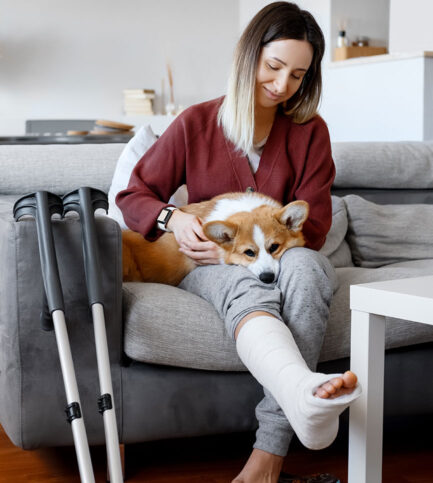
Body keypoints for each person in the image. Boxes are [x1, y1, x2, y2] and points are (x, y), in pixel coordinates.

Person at [116, 2, 361, 482]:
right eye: (273, 66)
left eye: (297, 75)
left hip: (286, 253)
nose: (282, 85)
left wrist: (273, 245)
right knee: (246, 286)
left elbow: (314, 224)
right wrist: (173, 218)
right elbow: (134, 194)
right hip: (206, 263)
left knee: (308, 270)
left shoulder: (311, 132)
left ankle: (269, 454)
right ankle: (289, 423)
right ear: (249, 55)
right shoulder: (196, 122)